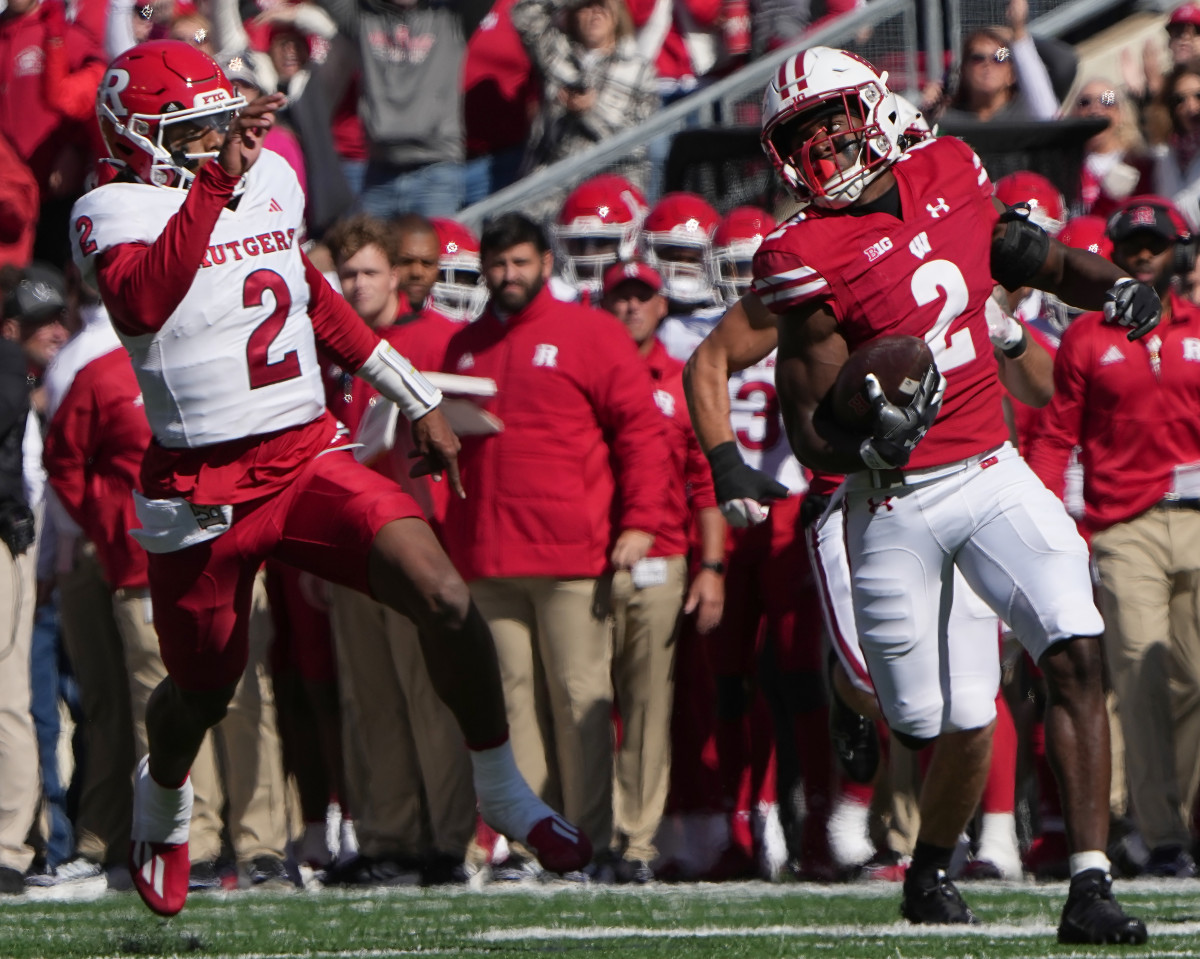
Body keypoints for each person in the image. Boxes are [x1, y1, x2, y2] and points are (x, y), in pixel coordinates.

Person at [69, 39, 590, 917]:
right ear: (138, 135)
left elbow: (309, 297)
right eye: (190, 132)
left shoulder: (266, 178)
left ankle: (499, 786)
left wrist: (416, 393)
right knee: (201, 687)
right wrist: (211, 182)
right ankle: (163, 797)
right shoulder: (109, 207)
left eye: (215, 126)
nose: (212, 143)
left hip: (306, 452)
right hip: (203, 486)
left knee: (444, 595)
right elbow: (145, 300)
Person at [682, 46, 1153, 944]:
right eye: (800, 135)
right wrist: (868, 436)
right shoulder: (801, 251)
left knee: (1075, 644)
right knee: (932, 718)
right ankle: (872, 737)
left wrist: (1116, 285)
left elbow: (1038, 257)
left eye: (831, 121)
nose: (821, 147)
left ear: (873, 109)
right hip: (893, 500)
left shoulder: (949, 168)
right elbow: (810, 430)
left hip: (989, 468)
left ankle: (1089, 884)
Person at [440, 213, 669, 879]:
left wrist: (639, 521)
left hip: (572, 552)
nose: (507, 275)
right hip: (489, 555)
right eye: (497, 263)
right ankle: (531, 843)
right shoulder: (466, 344)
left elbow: (640, 433)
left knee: (579, 701)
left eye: (519, 262)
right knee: (511, 705)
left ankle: (590, 838)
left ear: (546, 262)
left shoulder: (592, 333)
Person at [1028, 195, 1200, 879]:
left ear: (1178, 252)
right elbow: (1053, 438)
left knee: (1194, 675)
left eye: (1155, 244)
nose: (1143, 253)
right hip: (1122, 524)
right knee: (1141, 672)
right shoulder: (1086, 338)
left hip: (1197, 516)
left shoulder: (1198, 326)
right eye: (1131, 245)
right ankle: (1162, 835)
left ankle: (1186, 815)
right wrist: (1044, 529)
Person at [319, 212, 476, 885]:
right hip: (352, 544)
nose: (355, 286)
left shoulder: (437, 338)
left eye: (368, 273)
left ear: (398, 276)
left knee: (429, 695)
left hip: (419, 537)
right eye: (346, 274)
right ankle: (388, 835)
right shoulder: (327, 353)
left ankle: (450, 839)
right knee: (371, 698)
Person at [598, 259, 723, 882]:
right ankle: (587, 831)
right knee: (585, 703)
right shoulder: (582, 375)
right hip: (584, 560)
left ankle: (638, 838)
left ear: (661, 306)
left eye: (641, 298)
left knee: (649, 706)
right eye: (619, 298)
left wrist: (712, 566)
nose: (630, 309)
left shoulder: (679, 382)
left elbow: (705, 481)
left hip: (662, 557)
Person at [511, 0, 659, 189]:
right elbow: (523, 16)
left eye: (602, 6)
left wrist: (590, 112)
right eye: (587, 5)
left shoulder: (639, 70)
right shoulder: (558, 53)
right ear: (573, 13)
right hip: (549, 188)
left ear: (616, 15)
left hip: (609, 188)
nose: (595, 13)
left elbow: (637, 143)